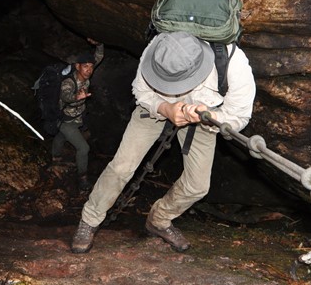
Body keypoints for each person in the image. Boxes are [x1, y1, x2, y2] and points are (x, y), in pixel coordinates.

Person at [71, 31, 255, 255]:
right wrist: (165, 108)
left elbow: (240, 116)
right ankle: (89, 219)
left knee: (197, 185)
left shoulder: (233, 64)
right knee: (121, 167)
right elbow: (141, 91)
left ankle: (159, 220)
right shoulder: (158, 49)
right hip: (156, 108)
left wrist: (210, 116)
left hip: (204, 118)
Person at [53, 40, 104, 193]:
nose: (89, 70)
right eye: (85, 66)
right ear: (77, 66)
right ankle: (82, 178)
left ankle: (55, 158)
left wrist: (99, 44)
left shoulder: (85, 77)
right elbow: (66, 95)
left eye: (91, 67)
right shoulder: (69, 82)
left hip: (76, 118)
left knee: (61, 137)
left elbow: (98, 57)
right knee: (83, 148)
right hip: (65, 120)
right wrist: (77, 97)